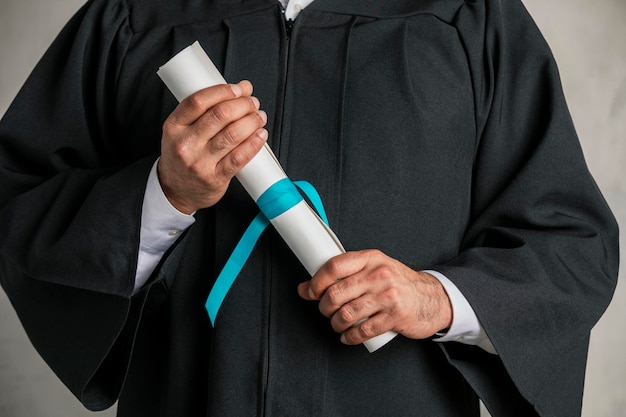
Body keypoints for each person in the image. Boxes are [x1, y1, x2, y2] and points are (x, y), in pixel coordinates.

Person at [0, 0, 619, 416]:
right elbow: (16, 205)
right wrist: (162, 196)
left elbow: (571, 246)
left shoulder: (471, 19)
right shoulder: (134, 14)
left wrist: (437, 299)